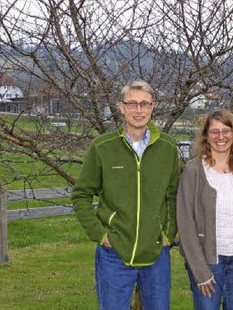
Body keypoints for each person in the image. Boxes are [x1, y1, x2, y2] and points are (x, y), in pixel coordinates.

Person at [71, 79, 179, 310]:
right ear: (121, 107)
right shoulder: (102, 147)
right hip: (114, 253)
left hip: (156, 253)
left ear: (152, 107)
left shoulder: (168, 148)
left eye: (144, 104)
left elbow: (173, 195)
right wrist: (101, 235)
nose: (138, 110)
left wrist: (168, 234)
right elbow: (81, 195)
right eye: (132, 104)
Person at [177, 109, 233, 310]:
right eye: (214, 132)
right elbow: (185, 223)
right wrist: (200, 271)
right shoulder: (194, 171)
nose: (221, 137)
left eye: (226, 131)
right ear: (206, 137)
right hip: (207, 262)